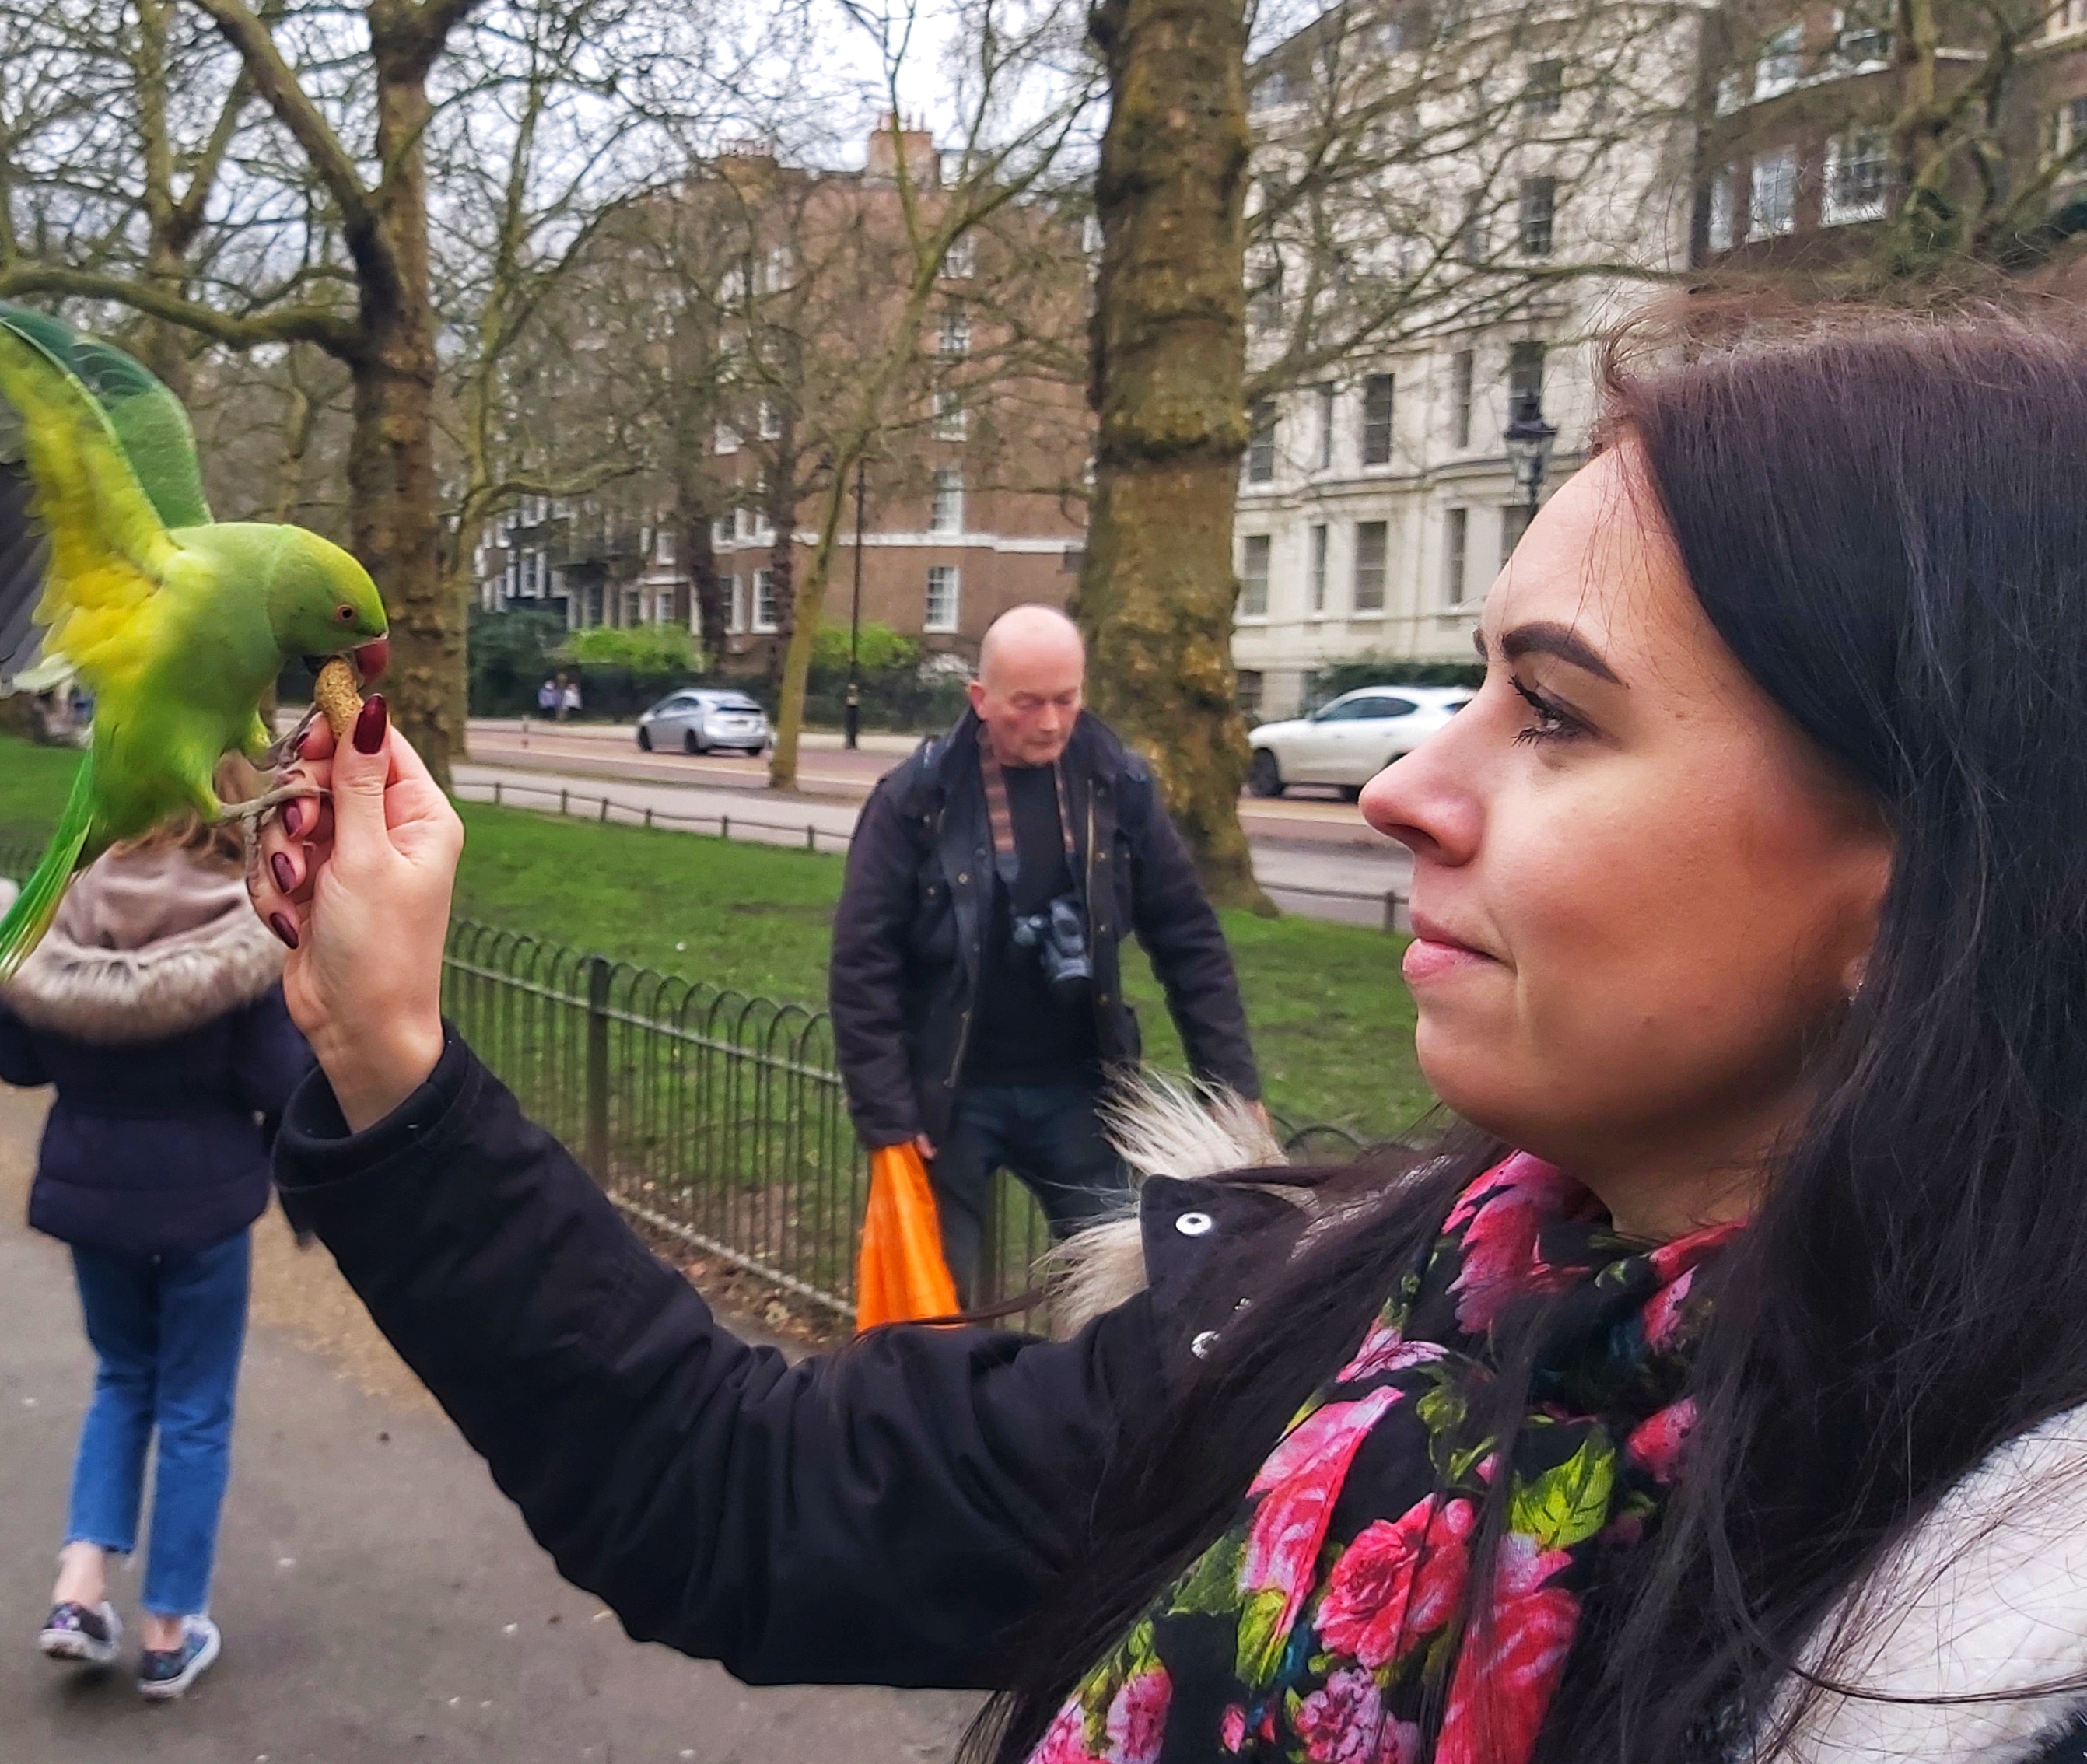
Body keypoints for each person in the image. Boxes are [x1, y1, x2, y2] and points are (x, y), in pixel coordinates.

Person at [250, 313, 2087, 1760]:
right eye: (1469, 689)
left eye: (1550, 715)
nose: (1405, 793)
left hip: (1076, 1080)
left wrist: (1223, 1063)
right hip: (964, 1093)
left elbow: (1180, 927)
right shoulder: (1334, 1319)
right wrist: (387, 1050)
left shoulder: (1987, 1647)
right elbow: (742, 1495)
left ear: (1932, 884)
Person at [0, 779, 313, 1702]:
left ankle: (79, 1593)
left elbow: (14, 1056)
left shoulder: (66, 906)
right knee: (196, 1404)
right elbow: (277, 1077)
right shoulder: (238, 923)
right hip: (205, 1199)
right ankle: (169, 1630)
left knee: (122, 1377)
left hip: (92, 1188)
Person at [831, 604, 1262, 1302]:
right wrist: (888, 1113)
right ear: (980, 699)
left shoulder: (1118, 786)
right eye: (1026, 704)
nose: (1052, 723)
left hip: (1079, 1090)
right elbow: (862, 963)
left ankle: (1089, 1411)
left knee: (1116, 1303)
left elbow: (1188, 940)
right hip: (948, 1094)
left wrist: (1233, 1089)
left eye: (1066, 699)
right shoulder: (917, 800)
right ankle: (947, 1410)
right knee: (936, 1310)